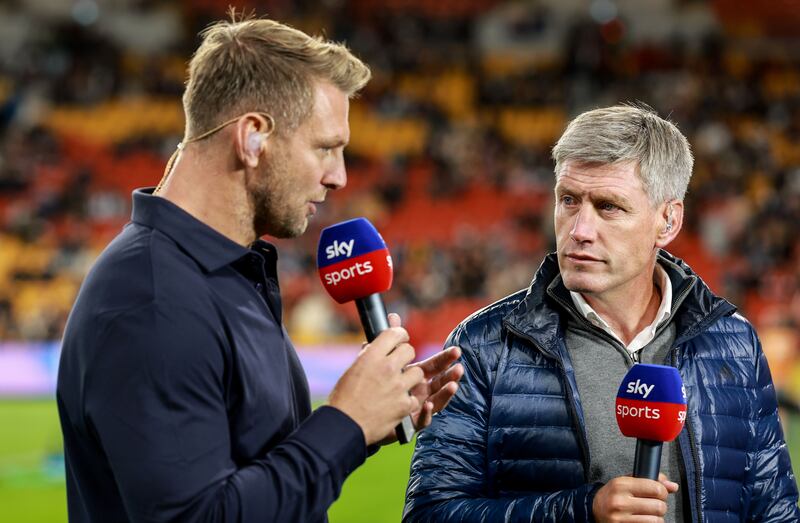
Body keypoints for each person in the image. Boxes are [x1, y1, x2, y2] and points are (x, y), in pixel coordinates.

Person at [56, 14, 464, 523]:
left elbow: (250, 476)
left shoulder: (225, 272)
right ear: (253, 137)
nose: (339, 177)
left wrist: (370, 420)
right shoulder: (153, 299)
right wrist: (346, 422)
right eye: (326, 148)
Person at [404, 104, 799, 522]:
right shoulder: (484, 346)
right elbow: (430, 514)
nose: (579, 230)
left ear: (667, 221)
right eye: (569, 201)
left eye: (608, 206)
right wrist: (580, 510)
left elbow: (775, 512)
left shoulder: (732, 342)